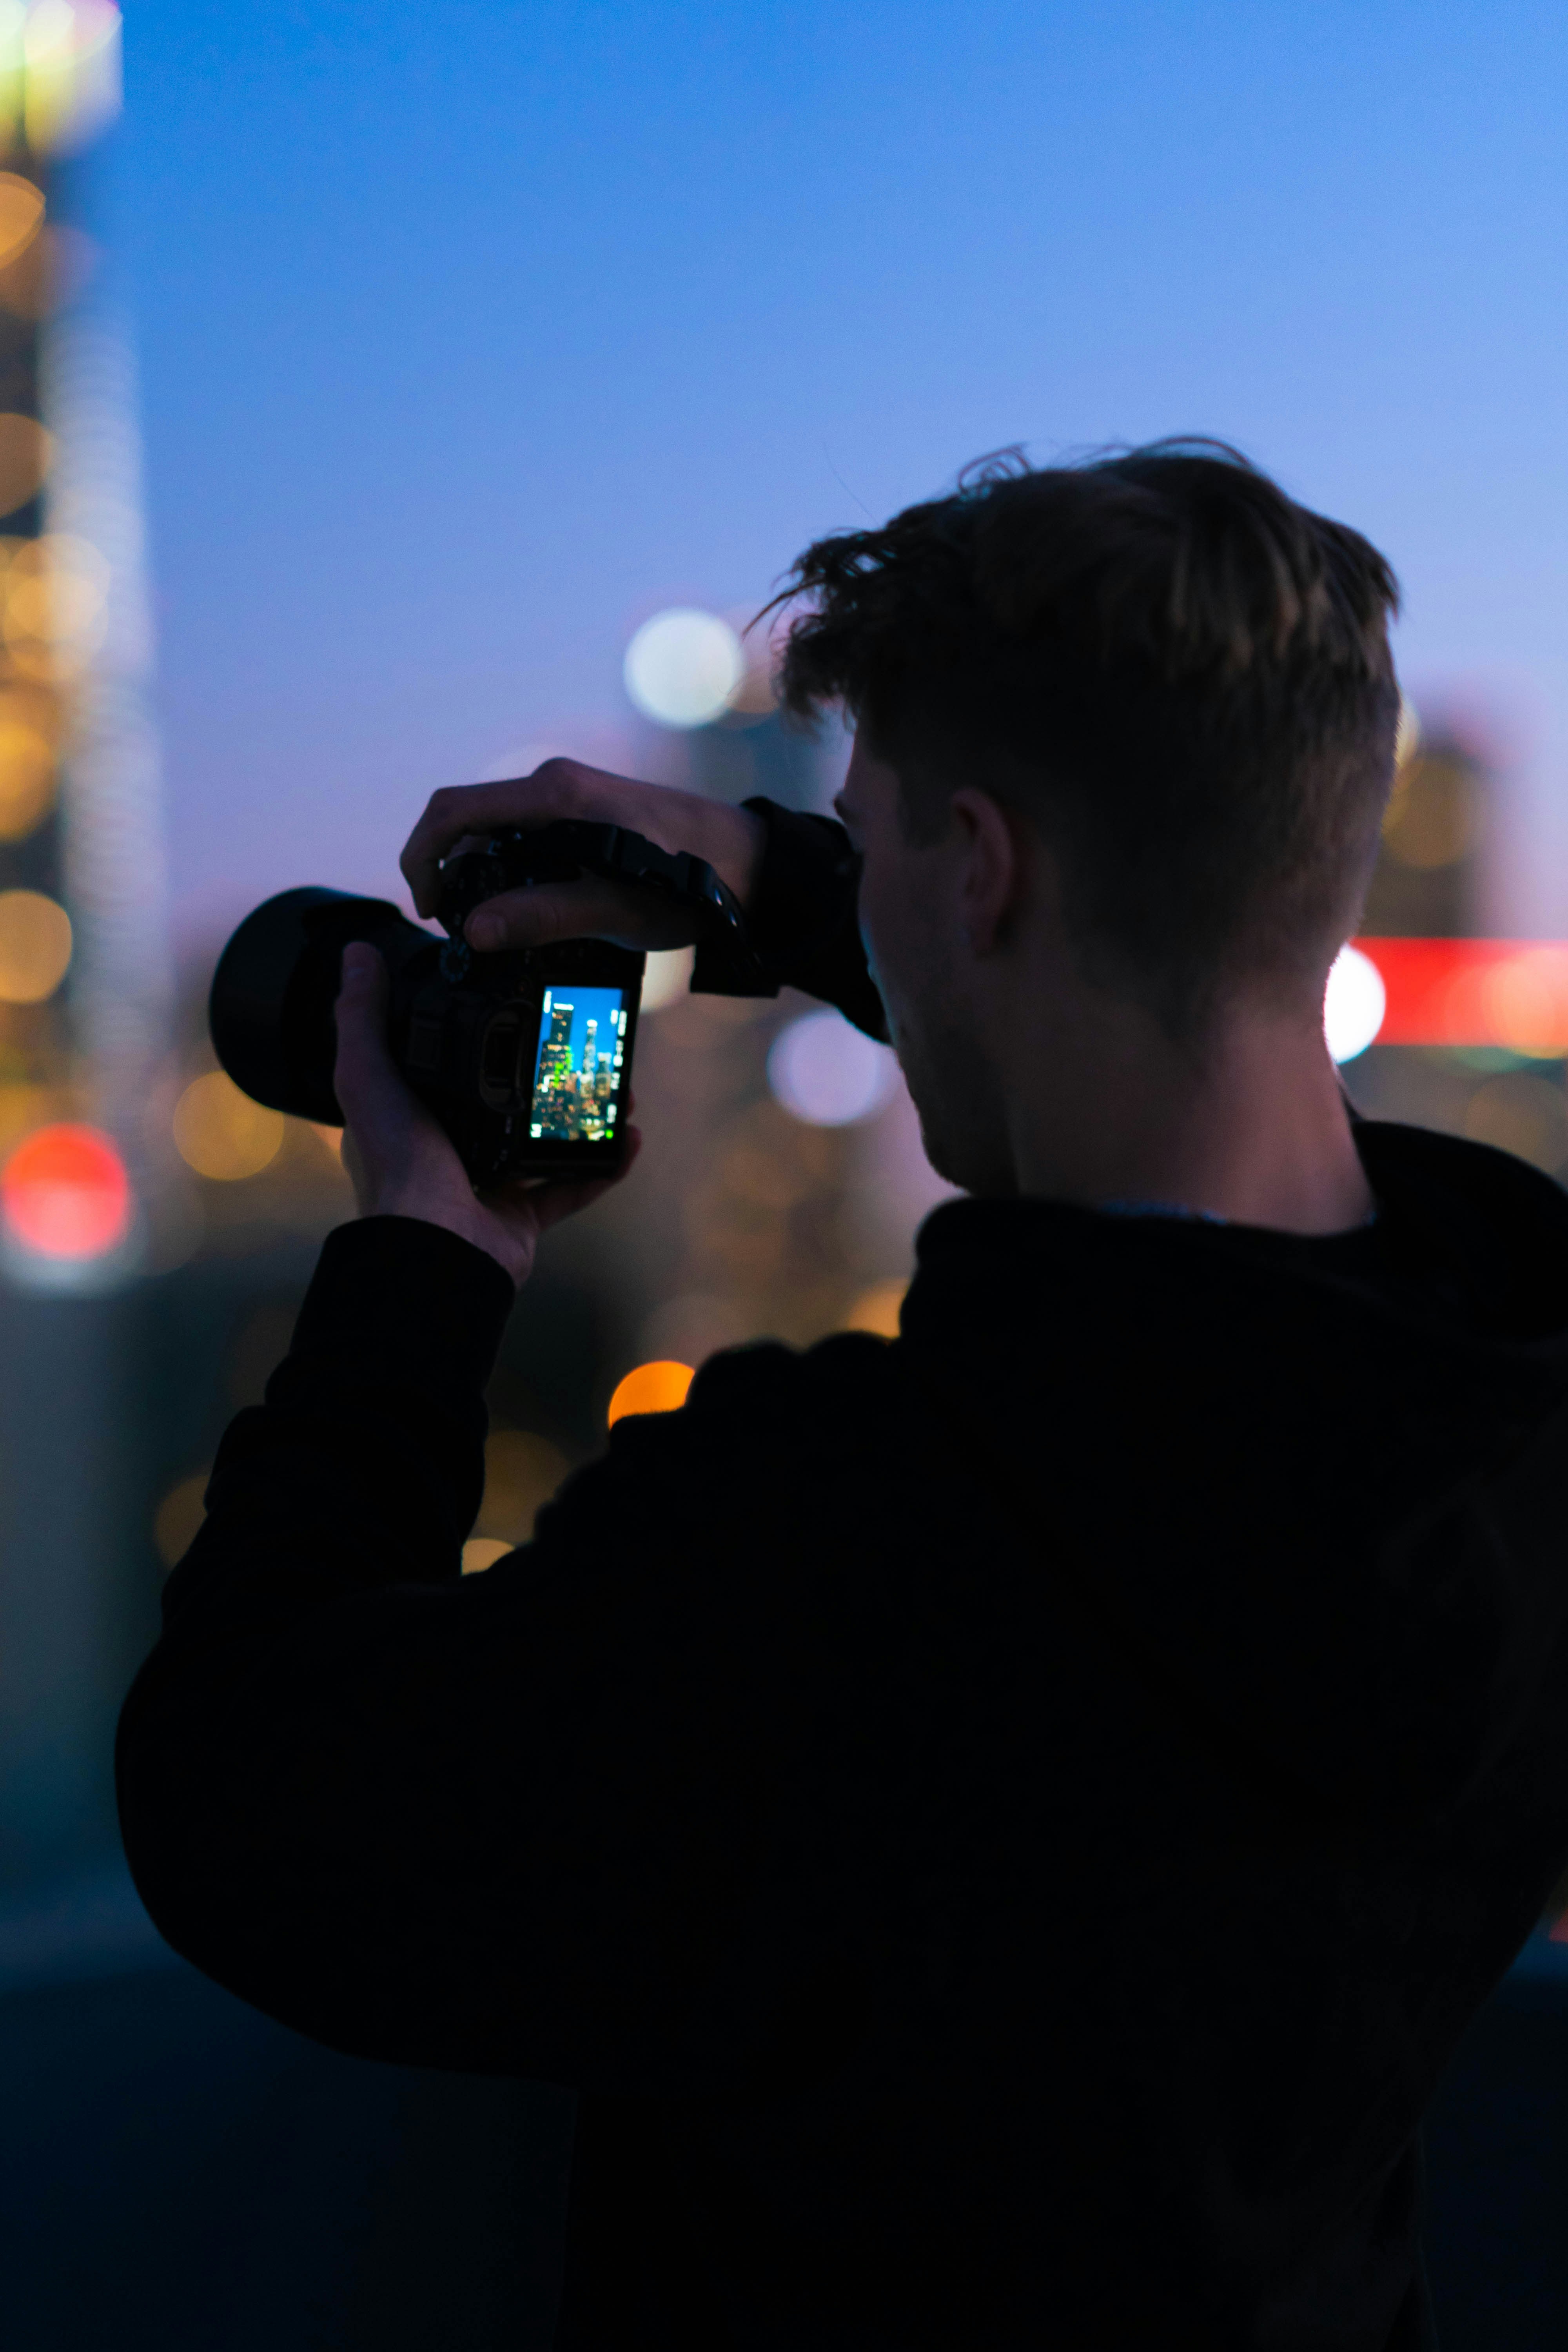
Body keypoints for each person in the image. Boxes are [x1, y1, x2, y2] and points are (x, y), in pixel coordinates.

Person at [116, 444, 1568, 2351]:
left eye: (877, 841)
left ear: (978, 870)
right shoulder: (1510, 1418)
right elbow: (1198, 1107)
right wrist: (800, 886)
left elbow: (241, 1796)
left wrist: (426, 1259)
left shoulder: (827, 1549)